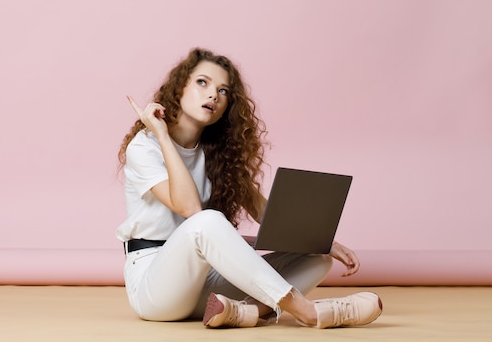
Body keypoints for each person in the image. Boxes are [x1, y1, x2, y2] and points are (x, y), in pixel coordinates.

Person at [116, 47, 382, 329]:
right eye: (202, 82)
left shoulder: (217, 156)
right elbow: (190, 209)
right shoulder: (145, 145)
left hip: (206, 284)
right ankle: (307, 311)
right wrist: (162, 135)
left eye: (223, 91)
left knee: (318, 259)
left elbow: (262, 211)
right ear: (179, 88)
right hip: (155, 288)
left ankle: (247, 312)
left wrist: (324, 242)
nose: (212, 95)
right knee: (206, 220)